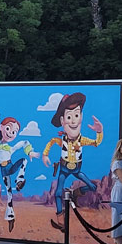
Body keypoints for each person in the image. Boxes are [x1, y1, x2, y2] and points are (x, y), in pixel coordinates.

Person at [42, 92, 104, 230]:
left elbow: (96, 143)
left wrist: (99, 132)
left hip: (77, 169)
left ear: (81, 116)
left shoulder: (82, 140)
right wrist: (45, 154)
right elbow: (52, 141)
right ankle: (60, 220)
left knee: (93, 187)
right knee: (58, 193)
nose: (73, 121)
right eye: (69, 117)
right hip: (64, 169)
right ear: (63, 121)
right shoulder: (62, 140)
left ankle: (77, 193)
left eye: (76, 115)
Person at [0, 111, 39, 231]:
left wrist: (30, 151)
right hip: (3, 171)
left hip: (10, 167)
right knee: (9, 193)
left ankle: (19, 180)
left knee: (24, 161)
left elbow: (24, 142)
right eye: (9, 128)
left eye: (14, 131)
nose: (11, 133)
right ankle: (10, 217)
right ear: (2, 128)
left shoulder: (11, 148)